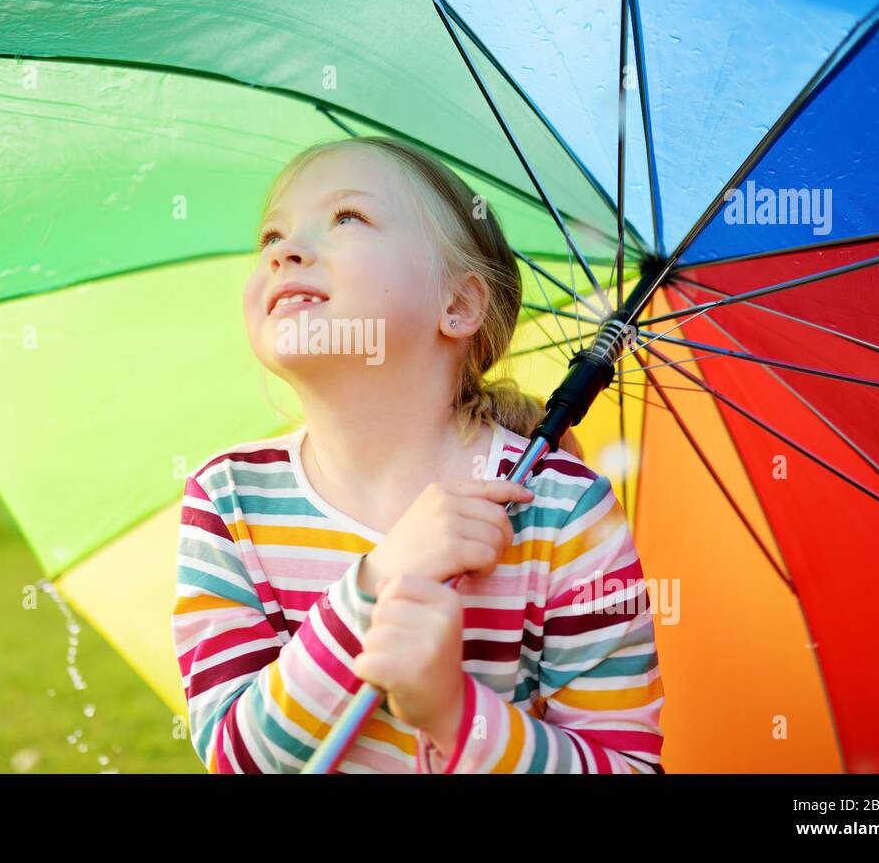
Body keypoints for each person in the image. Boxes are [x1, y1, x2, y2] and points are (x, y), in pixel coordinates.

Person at [171, 135, 664, 773]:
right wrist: (375, 584)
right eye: (271, 236)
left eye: (347, 217)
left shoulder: (563, 515)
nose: (284, 252)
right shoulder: (229, 501)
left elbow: (627, 766)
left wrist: (452, 712)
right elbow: (237, 758)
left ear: (456, 305)